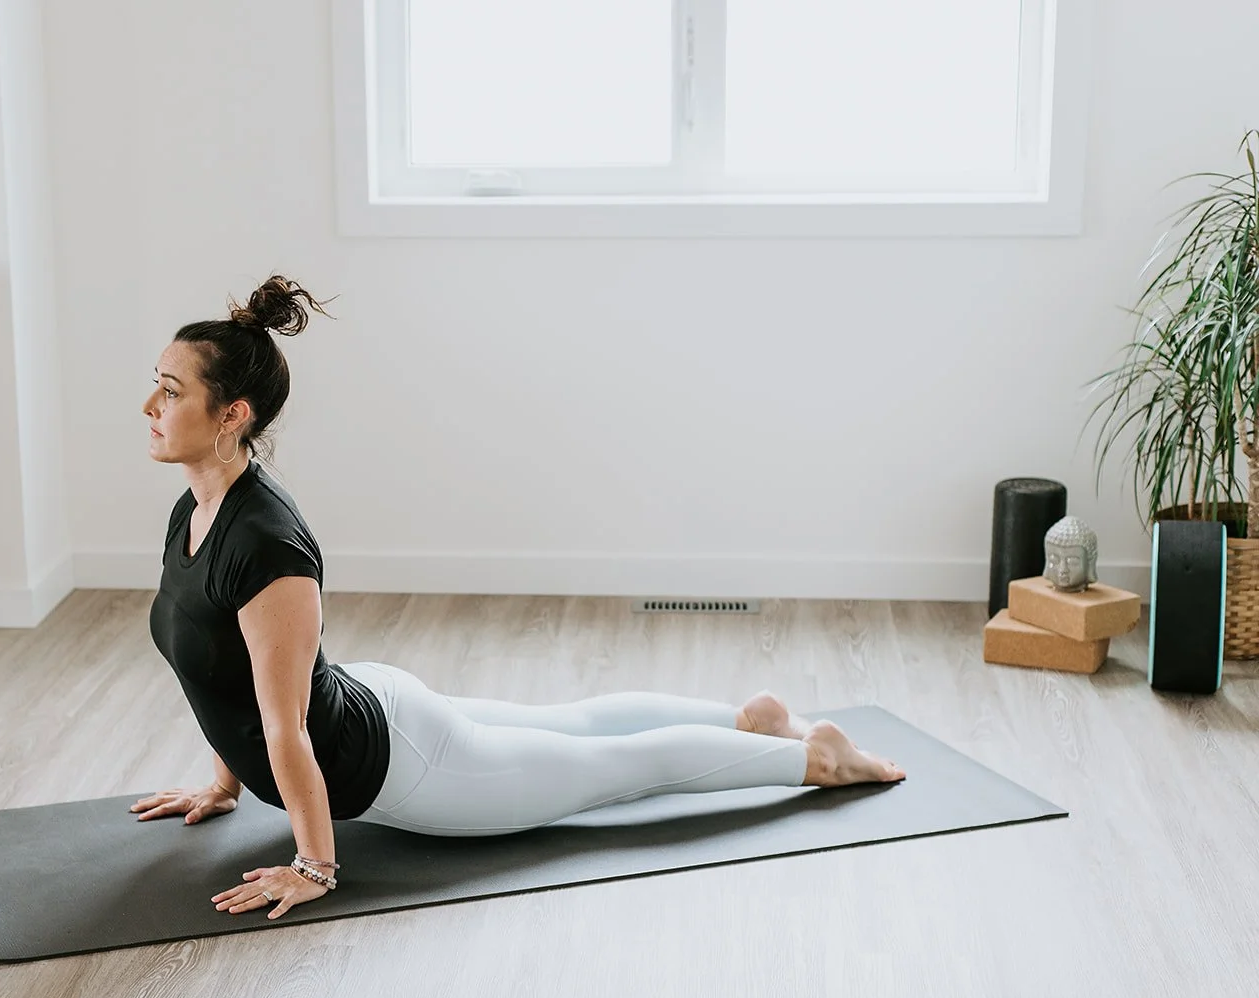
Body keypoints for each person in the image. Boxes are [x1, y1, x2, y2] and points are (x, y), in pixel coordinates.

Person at [133, 276, 906, 921]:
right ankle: (749, 721)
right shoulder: (196, 507)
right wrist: (223, 782)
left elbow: (284, 722)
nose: (150, 406)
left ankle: (814, 757)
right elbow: (222, 668)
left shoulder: (267, 544)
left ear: (233, 415)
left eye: (170, 391)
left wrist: (315, 866)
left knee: (615, 769)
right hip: (373, 709)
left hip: (404, 764)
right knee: (570, 727)